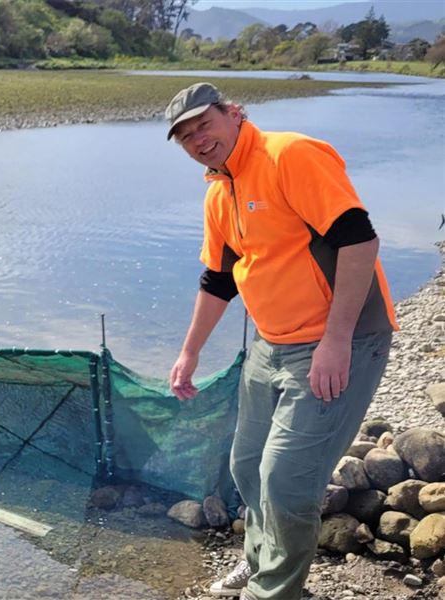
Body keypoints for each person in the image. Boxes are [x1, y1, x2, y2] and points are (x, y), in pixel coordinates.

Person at [164, 83, 397, 600]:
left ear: (232, 113)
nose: (198, 140)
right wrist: (189, 352)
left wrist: (336, 341)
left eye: (204, 124)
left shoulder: (288, 155)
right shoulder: (219, 192)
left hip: (340, 342)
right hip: (270, 345)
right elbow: (219, 280)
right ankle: (264, 562)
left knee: (287, 479)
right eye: (185, 136)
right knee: (247, 466)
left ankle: (274, 592)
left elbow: (359, 240)